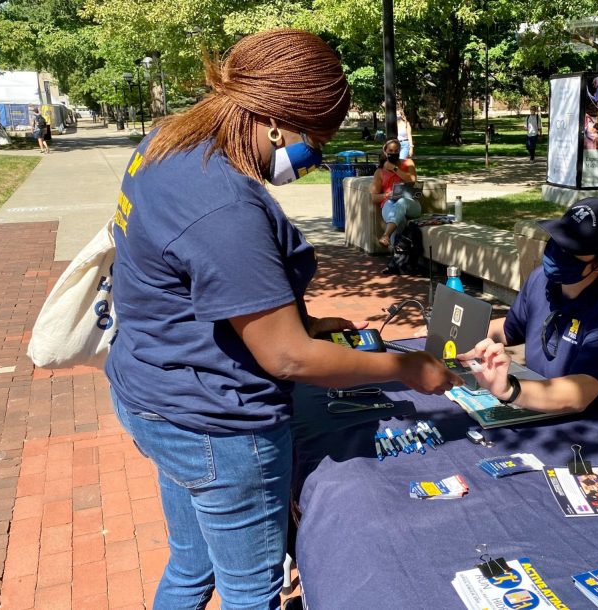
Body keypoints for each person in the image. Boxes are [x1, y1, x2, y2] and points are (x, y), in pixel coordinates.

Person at [106, 29, 461, 610]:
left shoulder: (168, 144)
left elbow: (193, 279)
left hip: (154, 391)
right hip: (217, 425)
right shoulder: (224, 205)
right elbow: (287, 357)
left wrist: (302, 319)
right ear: (274, 120)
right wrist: (404, 368)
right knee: (251, 590)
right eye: (315, 143)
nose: (314, 160)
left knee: (192, 567)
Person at [458, 198, 598, 434]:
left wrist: (511, 390)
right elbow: (509, 329)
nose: (557, 252)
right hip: (544, 406)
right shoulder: (542, 279)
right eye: (557, 240)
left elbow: (581, 392)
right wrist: (453, 331)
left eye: (572, 251)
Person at [370, 138, 420, 249]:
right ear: (385, 151)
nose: (394, 153)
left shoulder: (408, 163)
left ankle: (386, 235)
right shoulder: (379, 172)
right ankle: (397, 256)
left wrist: (394, 168)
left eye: (396, 151)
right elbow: (374, 197)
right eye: (391, 151)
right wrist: (387, 195)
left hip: (411, 203)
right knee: (399, 220)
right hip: (389, 203)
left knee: (402, 202)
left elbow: (412, 180)